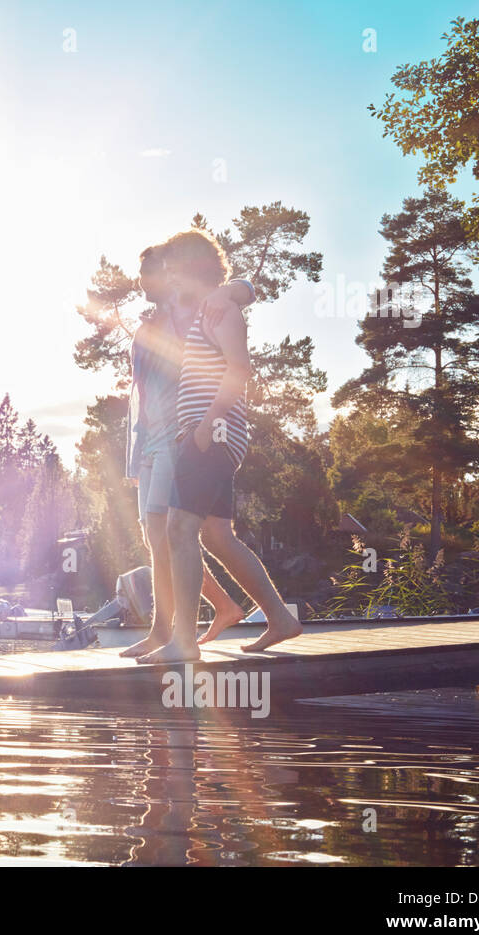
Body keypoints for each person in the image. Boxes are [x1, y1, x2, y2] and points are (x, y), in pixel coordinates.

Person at [138, 229, 303, 663]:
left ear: (191, 266)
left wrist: (205, 425)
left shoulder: (220, 309)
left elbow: (240, 370)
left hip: (212, 434)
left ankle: (184, 643)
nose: (169, 276)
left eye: (174, 267)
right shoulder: (205, 311)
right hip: (206, 434)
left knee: (178, 529)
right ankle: (280, 619)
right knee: (217, 535)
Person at [119, 244, 252, 659]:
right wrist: (136, 448)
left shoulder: (192, 310)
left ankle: (176, 632)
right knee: (154, 536)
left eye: (149, 273)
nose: (142, 282)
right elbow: (139, 393)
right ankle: (180, 624)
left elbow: (244, 289)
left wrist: (232, 290)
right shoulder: (147, 326)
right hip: (149, 440)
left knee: (173, 534)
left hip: (182, 434)